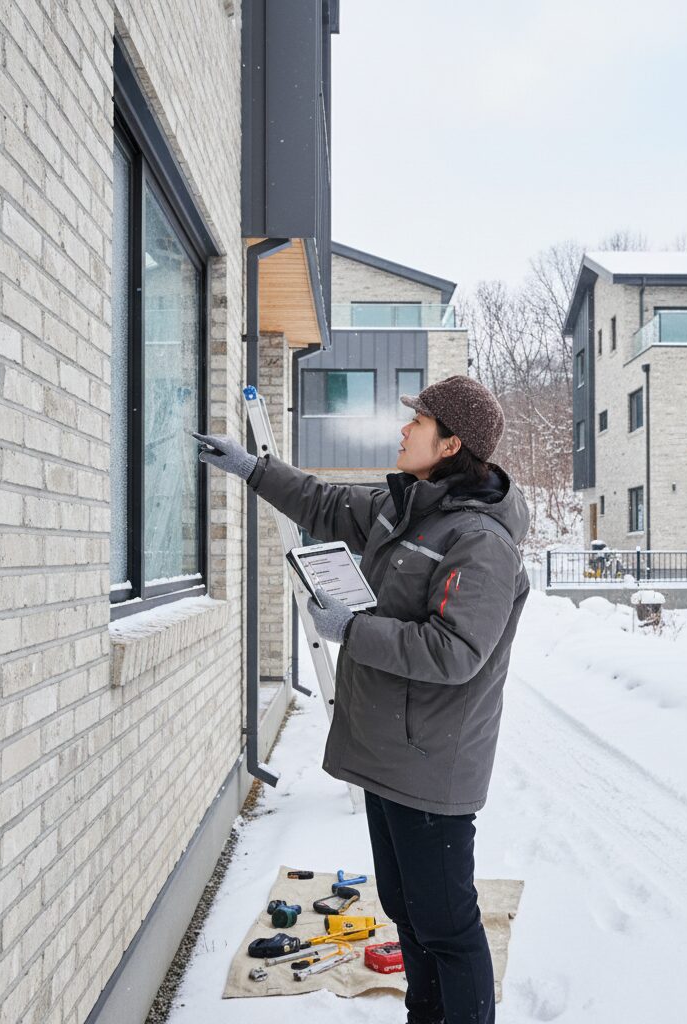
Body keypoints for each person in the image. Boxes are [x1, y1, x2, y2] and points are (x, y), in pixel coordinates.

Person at [195, 374, 529, 1024]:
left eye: (419, 422)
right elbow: (322, 502)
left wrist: (352, 629)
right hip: (388, 756)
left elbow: (454, 652)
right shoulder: (408, 510)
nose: (404, 429)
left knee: (448, 925)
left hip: (431, 765)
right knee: (407, 910)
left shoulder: (479, 542)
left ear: (451, 443)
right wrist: (251, 467)